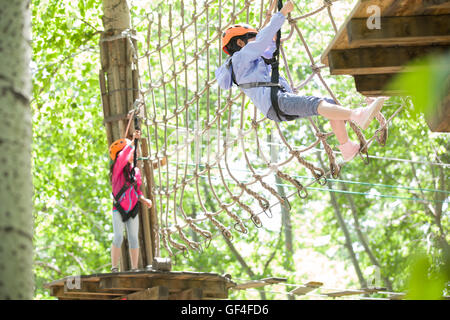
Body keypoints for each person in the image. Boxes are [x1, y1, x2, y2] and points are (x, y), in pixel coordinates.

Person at [215, 0, 386, 162]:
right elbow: (260, 44)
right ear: (240, 42)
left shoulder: (249, 62)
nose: (256, 40)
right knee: (315, 103)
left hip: (276, 104)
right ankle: (357, 115)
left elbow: (266, 48)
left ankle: (346, 148)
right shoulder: (239, 59)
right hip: (276, 102)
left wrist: (274, 38)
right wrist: (281, 14)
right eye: (252, 37)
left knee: (328, 103)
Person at [108, 130, 153, 272]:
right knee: (118, 237)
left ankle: (134, 268)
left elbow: (136, 190)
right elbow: (122, 158)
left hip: (132, 208)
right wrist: (132, 142)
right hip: (119, 209)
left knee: (134, 238)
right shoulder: (117, 171)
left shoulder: (135, 171)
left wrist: (143, 199)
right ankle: (114, 267)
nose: (134, 154)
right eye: (131, 152)